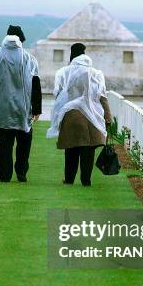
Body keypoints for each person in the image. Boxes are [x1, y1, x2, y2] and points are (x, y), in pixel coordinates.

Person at [0, 25, 42, 183]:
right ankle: (21, 172)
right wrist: (37, 109)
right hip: (23, 108)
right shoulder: (29, 58)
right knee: (24, 140)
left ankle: (4, 174)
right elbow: (36, 84)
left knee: (5, 142)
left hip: (1, 108)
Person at [47, 43, 112, 186]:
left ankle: (69, 179)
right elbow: (103, 96)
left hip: (70, 114)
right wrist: (108, 116)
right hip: (91, 117)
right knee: (88, 151)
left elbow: (58, 94)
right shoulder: (95, 73)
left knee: (71, 150)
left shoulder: (64, 72)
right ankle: (86, 180)